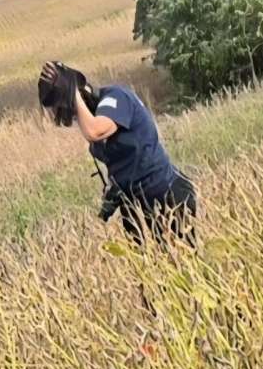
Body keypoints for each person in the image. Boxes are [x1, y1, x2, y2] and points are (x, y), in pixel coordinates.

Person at [38, 61, 196, 246]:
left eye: (64, 109)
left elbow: (94, 131)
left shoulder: (116, 98)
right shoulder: (98, 115)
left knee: (184, 263)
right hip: (136, 206)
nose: (68, 117)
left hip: (167, 195)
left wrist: (72, 92)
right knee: (147, 271)